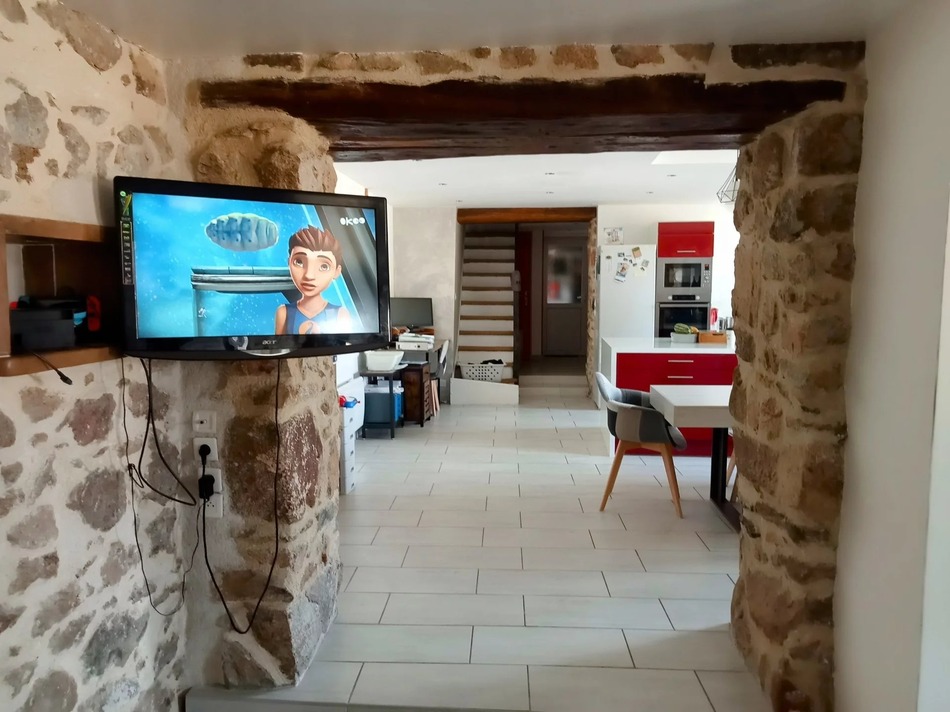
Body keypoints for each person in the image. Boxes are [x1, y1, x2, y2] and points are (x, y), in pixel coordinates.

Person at [274, 226, 351, 335]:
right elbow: (279, 345)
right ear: (289, 263)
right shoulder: (284, 312)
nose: (309, 275)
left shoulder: (340, 314)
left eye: (324, 266)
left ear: (336, 271)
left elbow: (343, 345)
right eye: (299, 262)